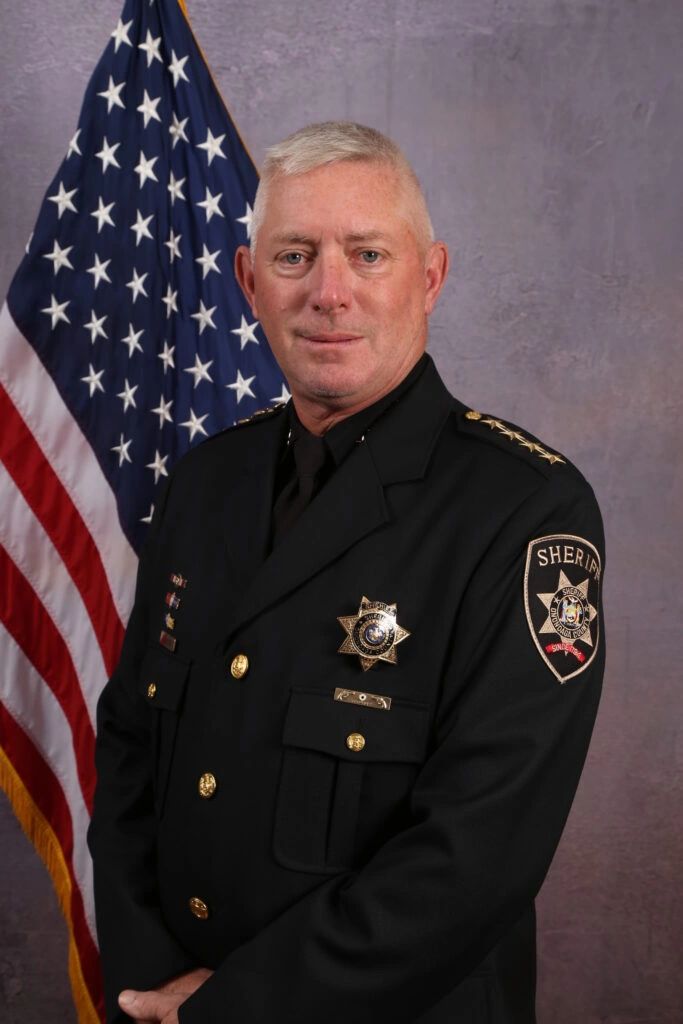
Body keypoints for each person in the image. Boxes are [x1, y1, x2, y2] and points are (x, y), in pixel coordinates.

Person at [88, 121, 605, 1024]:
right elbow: (131, 753)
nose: (329, 293)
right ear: (250, 282)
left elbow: (476, 853)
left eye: (367, 254)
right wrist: (149, 986)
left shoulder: (525, 510)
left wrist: (233, 1007)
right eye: (294, 256)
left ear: (429, 277)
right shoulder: (205, 483)